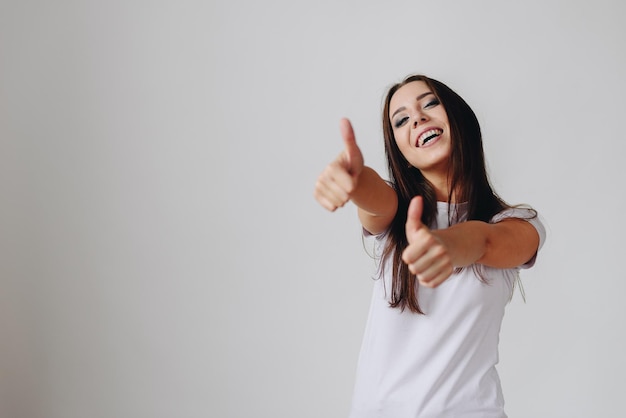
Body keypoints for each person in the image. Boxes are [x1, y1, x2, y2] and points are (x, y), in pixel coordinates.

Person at [313, 74, 546, 418]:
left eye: (430, 103)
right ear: (402, 153)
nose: (418, 118)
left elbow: (485, 241)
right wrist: (354, 179)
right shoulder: (396, 213)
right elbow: (375, 198)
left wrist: (446, 245)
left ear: (459, 118)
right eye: (402, 119)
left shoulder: (519, 223)